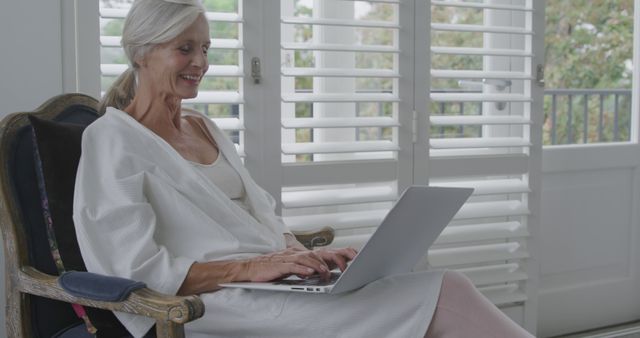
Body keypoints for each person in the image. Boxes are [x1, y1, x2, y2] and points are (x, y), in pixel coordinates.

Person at [73, 0, 534, 337]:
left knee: (437, 289)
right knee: (444, 294)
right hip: (206, 306)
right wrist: (251, 268)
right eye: (185, 48)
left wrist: (300, 255)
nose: (201, 63)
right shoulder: (111, 140)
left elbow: (261, 214)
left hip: (276, 286)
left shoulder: (204, 126)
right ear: (140, 53)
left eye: (206, 49)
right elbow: (130, 268)